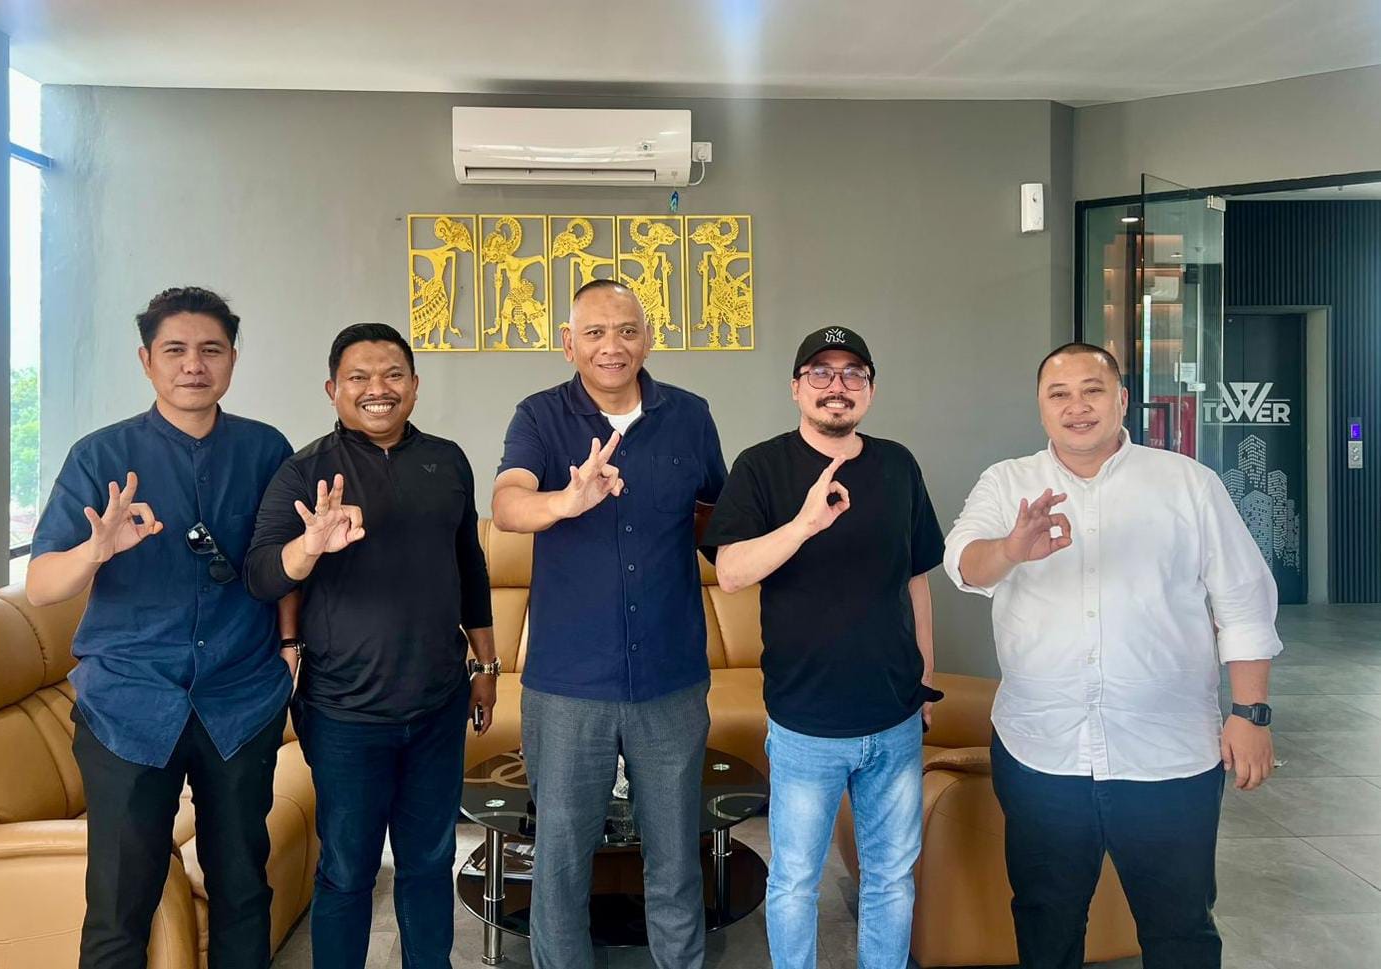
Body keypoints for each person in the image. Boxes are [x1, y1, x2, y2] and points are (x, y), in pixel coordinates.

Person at [944, 342, 1282, 969]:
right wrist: (1011, 549)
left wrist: (1250, 713)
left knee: (1180, 927)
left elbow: (1244, 602)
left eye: (1092, 390)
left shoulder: (1188, 483)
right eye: (1059, 394)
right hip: (1042, 751)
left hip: (1168, 754)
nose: (1077, 407)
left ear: (1121, 399)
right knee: (1045, 919)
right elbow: (963, 565)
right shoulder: (1008, 482)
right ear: (1041, 407)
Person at [27, 286, 296, 969]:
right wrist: (95, 551)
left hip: (240, 698)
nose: (193, 365)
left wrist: (290, 648)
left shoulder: (267, 450)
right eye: (174, 350)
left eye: (211, 350)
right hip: (127, 704)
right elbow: (40, 585)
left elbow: (282, 566)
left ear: (232, 358)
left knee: (243, 889)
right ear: (147, 360)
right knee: (119, 906)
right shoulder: (100, 456)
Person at [244, 322, 495, 969]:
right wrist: (310, 546)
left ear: (414, 385)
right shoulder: (305, 471)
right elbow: (262, 574)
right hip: (344, 714)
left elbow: (469, 568)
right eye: (358, 376)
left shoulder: (447, 461)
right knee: (348, 870)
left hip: (438, 705)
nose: (377, 388)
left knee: (430, 861)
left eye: (392, 374)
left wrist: (486, 664)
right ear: (333, 389)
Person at [492, 278, 727, 969]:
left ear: (647, 339)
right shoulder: (539, 416)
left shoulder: (691, 415)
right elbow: (507, 505)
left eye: (626, 330)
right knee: (561, 862)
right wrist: (566, 500)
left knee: (676, 858)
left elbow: (720, 520)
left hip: (670, 678)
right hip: (568, 682)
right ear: (568, 343)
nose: (611, 346)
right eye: (594, 332)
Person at [701, 326, 944, 969]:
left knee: (891, 879)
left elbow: (916, 581)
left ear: (869, 389)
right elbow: (732, 572)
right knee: (795, 883)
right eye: (821, 373)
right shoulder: (761, 467)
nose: (837, 386)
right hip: (805, 722)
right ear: (796, 388)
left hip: (894, 717)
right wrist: (805, 524)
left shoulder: (898, 465)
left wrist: (926, 681)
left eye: (852, 373)